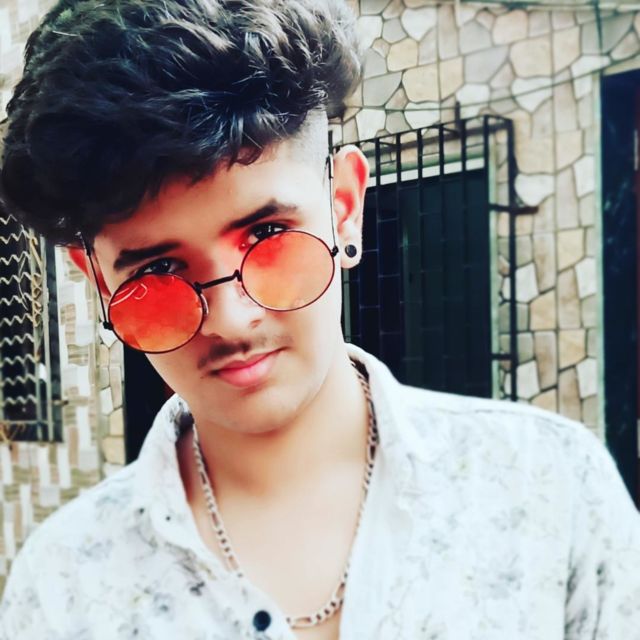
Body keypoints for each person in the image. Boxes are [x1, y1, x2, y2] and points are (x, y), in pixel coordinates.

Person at [1, 1, 639, 638]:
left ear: (343, 208)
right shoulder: (65, 589)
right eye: (159, 270)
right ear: (99, 281)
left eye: (267, 234)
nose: (231, 319)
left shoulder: (551, 492)